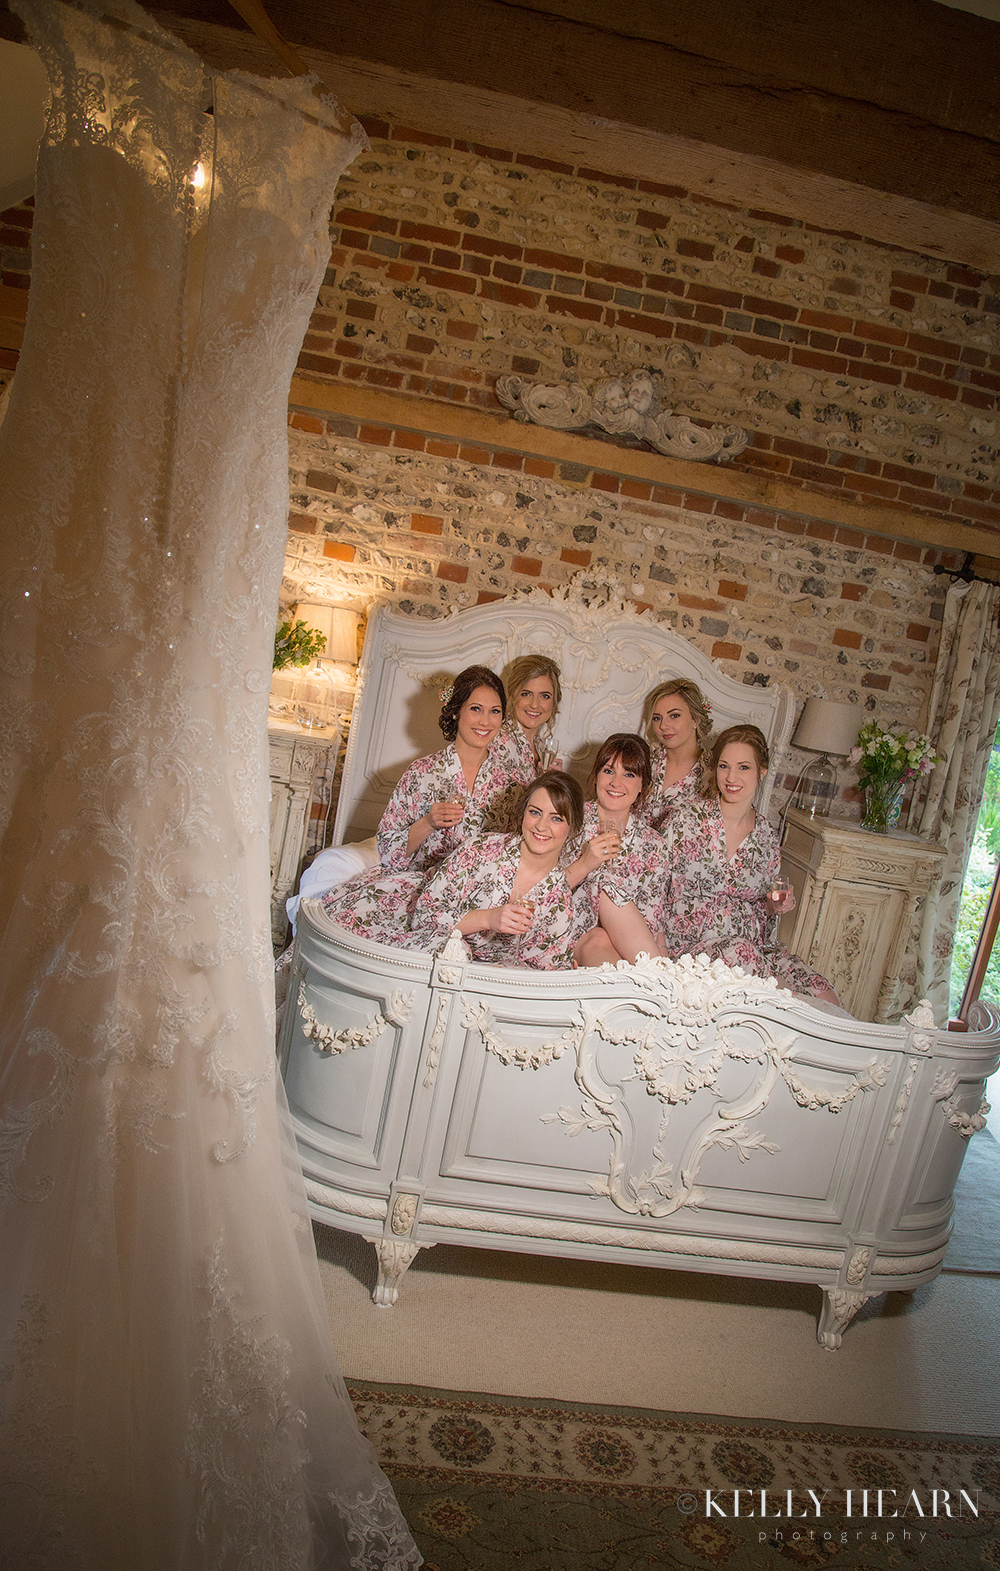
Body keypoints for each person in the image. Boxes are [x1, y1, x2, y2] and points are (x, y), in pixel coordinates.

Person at [316, 664, 516, 940]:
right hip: (420, 886)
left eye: (495, 711)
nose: (485, 721)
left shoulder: (511, 783)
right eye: (475, 709)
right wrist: (428, 822)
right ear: (456, 711)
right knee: (349, 924)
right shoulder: (421, 773)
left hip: (479, 896)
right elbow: (388, 852)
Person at [659, 725, 839, 1002]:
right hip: (692, 947)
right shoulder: (685, 820)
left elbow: (763, 907)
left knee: (825, 997)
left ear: (761, 771)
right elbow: (653, 888)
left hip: (756, 948)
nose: (731, 778)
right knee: (759, 973)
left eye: (743, 767)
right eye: (724, 766)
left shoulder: (766, 835)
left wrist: (775, 905)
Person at [408, 770, 585, 968]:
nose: (541, 826)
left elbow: (544, 970)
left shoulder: (559, 902)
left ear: (574, 827)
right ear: (523, 812)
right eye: (535, 812)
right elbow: (423, 916)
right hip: (436, 959)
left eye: (556, 818)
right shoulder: (480, 850)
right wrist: (488, 918)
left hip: (491, 985)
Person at [567, 734, 669, 966]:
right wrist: (585, 863)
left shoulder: (654, 844)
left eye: (629, 774)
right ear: (596, 776)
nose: (616, 782)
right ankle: (662, 982)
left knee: (604, 936)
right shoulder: (569, 821)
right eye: (609, 771)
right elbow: (544, 889)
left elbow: (651, 916)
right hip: (572, 933)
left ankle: (659, 983)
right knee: (606, 903)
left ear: (643, 786)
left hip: (628, 948)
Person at [639, 678, 713, 831]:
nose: (663, 726)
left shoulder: (714, 772)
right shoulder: (643, 762)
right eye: (657, 718)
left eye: (674, 716)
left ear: (696, 720)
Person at [492, 654, 563, 780]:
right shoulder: (498, 742)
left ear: (554, 701)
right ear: (513, 695)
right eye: (526, 694)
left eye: (545, 696)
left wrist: (551, 782)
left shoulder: (539, 744)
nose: (535, 705)